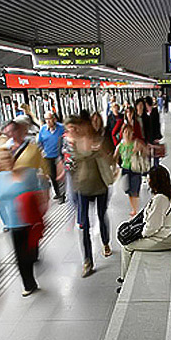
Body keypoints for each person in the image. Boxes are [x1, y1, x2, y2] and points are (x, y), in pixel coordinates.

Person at [0, 150, 43, 296]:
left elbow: (39, 190)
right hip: (13, 222)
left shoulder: (27, 173)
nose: (2, 162)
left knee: (31, 251)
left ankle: (31, 271)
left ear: (12, 159)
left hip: (30, 219)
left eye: (5, 158)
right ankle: (29, 283)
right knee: (21, 255)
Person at [66, 114, 116, 277]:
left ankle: (105, 242)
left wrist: (101, 151)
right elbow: (69, 165)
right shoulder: (73, 143)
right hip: (82, 188)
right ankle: (87, 260)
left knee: (101, 216)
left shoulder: (101, 138)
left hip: (100, 185)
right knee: (84, 225)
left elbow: (111, 159)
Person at [119, 165, 171, 281]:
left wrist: (138, 234)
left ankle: (125, 279)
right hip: (170, 232)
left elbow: (152, 227)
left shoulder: (160, 199)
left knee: (127, 246)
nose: (147, 180)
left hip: (164, 238)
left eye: (149, 178)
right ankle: (127, 277)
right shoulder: (167, 193)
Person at [117, 124, 147, 216]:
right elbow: (115, 156)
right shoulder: (121, 145)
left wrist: (140, 150)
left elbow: (145, 152)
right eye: (125, 132)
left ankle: (135, 209)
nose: (127, 134)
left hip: (135, 169)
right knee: (129, 190)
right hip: (125, 169)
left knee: (135, 190)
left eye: (129, 132)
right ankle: (133, 207)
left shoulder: (136, 143)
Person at [37, 111, 66, 202]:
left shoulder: (61, 128)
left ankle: (62, 195)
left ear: (54, 119)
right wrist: (41, 151)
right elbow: (40, 143)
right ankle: (57, 193)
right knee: (52, 176)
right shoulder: (43, 130)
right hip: (48, 156)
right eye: (46, 119)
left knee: (59, 177)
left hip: (59, 156)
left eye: (49, 119)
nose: (48, 121)